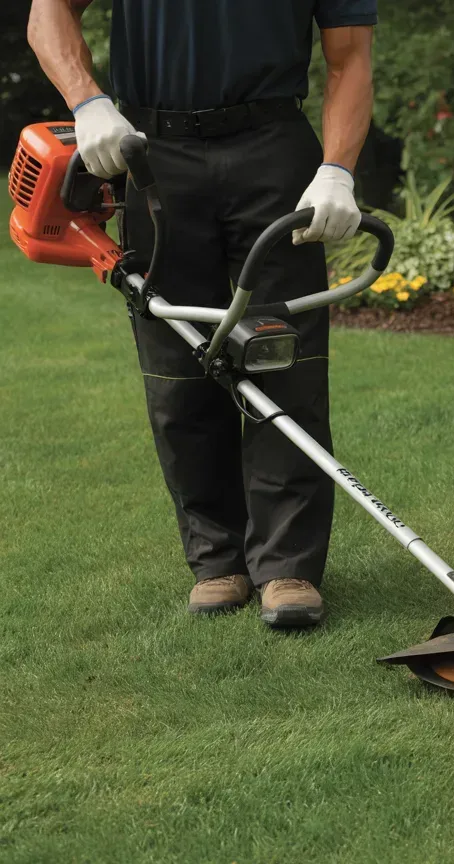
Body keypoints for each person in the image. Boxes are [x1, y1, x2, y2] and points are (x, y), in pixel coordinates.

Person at [27, 0, 377, 628]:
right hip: (150, 150)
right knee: (177, 365)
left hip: (273, 150)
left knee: (282, 356)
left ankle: (287, 567)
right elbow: (46, 12)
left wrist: (336, 169)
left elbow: (349, 59)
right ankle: (217, 561)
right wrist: (87, 102)